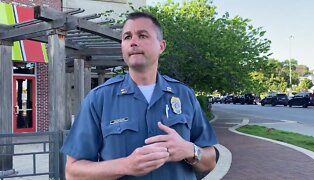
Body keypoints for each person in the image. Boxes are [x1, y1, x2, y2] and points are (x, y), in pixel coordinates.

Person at [61, 11, 218, 180]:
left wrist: (189, 150)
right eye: (127, 37)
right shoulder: (99, 99)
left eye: (142, 35)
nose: (133, 42)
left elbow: (210, 161)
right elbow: (73, 172)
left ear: (161, 46)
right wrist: (125, 165)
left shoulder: (184, 95)